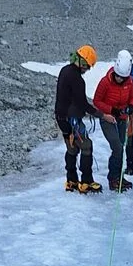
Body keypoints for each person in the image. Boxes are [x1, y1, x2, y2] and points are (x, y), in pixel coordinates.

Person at [54, 45, 103, 194]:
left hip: (61, 118)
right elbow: (82, 103)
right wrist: (100, 114)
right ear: (83, 62)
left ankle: (71, 180)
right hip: (72, 119)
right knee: (86, 146)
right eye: (87, 66)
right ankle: (86, 181)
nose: (87, 69)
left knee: (72, 148)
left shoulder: (64, 71)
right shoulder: (77, 79)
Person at [92, 51, 133, 192]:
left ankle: (119, 176)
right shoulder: (105, 82)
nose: (119, 79)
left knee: (121, 147)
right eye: (118, 76)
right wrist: (112, 110)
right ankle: (113, 178)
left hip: (122, 118)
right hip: (108, 119)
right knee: (117, 146)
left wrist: (131, 106)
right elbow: (96, 101)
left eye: (122, 77)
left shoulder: (129, 82)